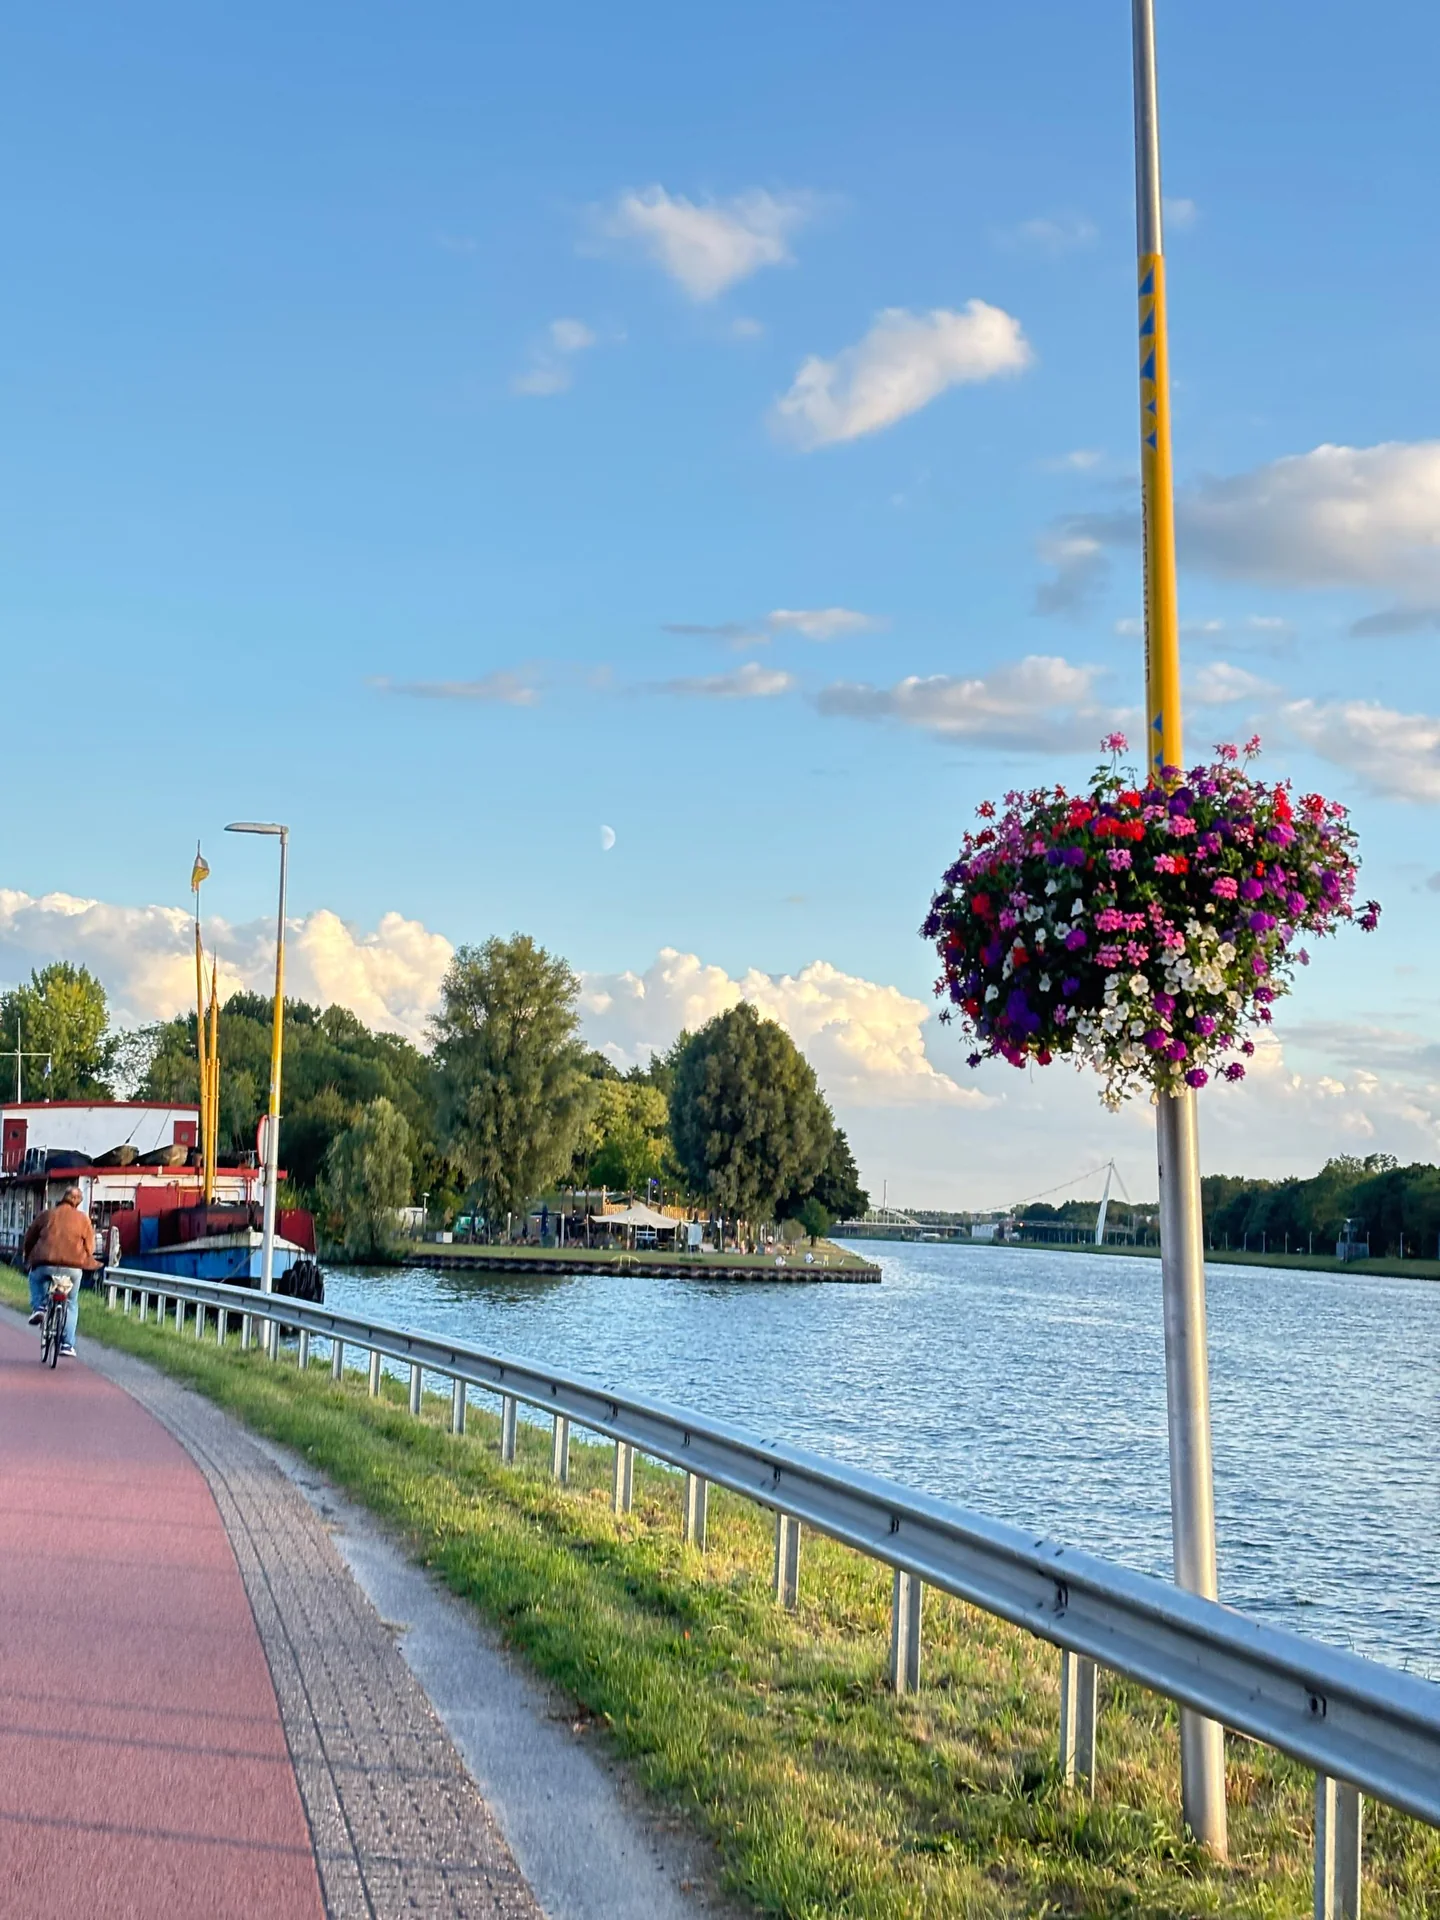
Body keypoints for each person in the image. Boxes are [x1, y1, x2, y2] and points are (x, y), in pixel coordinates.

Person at [22, 1185, 99, 1358]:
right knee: (71, 1302)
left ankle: (39, 1307)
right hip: (73, 1267)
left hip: (45, 1263)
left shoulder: (47, 1214)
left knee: (35, 1278)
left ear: (63, 1198)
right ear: (78, 1202)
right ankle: (67, 1345)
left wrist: (27, 1255)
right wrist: (87, 1256)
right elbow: (91, 1247)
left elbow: (30, 1237)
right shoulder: (83, 1219)